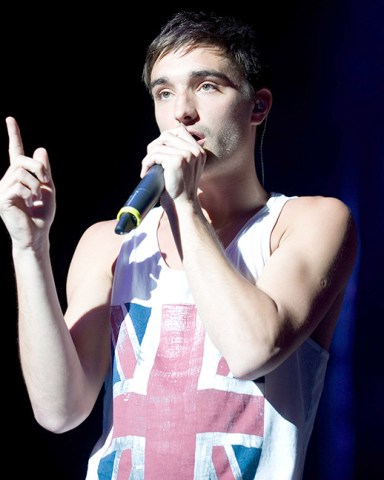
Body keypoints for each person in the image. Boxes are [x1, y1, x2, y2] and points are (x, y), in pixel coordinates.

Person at [0, 10, 357, 480]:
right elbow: (59, 410)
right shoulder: (109, 243)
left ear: (258, 106)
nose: (181, 111)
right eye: (164, 92)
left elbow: (252, 350)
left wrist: (183, 204)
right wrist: (30, 249)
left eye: (207, 86)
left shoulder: (308, 222)